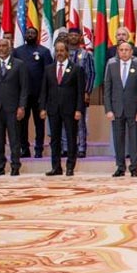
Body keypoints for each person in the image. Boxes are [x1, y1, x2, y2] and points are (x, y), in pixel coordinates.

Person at [39, 39, 85, 176]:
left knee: (71, 138)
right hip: (53, 109)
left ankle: (70, 167)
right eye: (57, 50)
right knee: (54, 139)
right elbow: (44, 90)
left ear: (67, 52)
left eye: (62, 50)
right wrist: (42, 108)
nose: (59, 53)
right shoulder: (48, 69)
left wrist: (79, 109)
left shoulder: (76, 69)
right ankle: (56, 167)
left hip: (70, 110)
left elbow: (80, 92)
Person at [0, 38, 27, 176]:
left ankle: (15, 165)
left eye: (4, 46)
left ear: (10, 48)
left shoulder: (19, 64)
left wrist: (22, 106)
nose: (1, 48)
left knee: (14, 138)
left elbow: (24, 88)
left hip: (13, 108)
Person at [104, 41, 137, 177]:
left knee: (135, 139)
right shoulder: (111, 66)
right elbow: (107, 90)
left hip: (134, 110)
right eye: (121, 50)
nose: (124, 52)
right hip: (116, 109)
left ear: (131, 52)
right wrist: (108, 109)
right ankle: (120, 167)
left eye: (126, 50)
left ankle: (134, 167)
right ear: (118, 51)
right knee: (118, 139)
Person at [12, 27, 53, 159]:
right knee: (22, 123)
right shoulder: (17, 51)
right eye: (28, 33)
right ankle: (24, 148)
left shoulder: (44, 51)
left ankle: (39, 149)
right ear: (24, 35)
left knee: (39, 123)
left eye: (33, 33)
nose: (30, 35)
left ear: (37, 35)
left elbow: (49, 73)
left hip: (39, 94)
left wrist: (46, 93)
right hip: (22, 95)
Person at [66, 28, 94, 158]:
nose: (73, 37)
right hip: (65, 93)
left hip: (80, 93)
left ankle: (82, 147)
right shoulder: (62, 53)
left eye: (75, 35)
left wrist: (87, 91)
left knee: (81, 122)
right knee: (65, 121)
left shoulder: (86, 54)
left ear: (80, 37)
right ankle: (66, 147)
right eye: (71, 35)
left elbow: (91, 74)